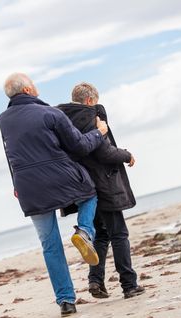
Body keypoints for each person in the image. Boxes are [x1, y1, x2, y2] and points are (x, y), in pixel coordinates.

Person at [0, 73, 108, 317]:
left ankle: (66, 301)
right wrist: (99, 133)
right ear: (27, 90)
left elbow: (11, 153)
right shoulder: (51, 113)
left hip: (28, 187)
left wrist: (16, 183)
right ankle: (85, 232)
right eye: (33, 84)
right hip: (61, 178)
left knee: (50, 245)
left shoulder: (3, 119)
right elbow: (79, 145)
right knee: (89, 194)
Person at [57, 82, 145, 299]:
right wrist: (126, 154)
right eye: (94, 102)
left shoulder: (62, 119)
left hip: (83, 187)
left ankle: (96, 282)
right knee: (119, 233)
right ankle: (129, 285)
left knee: (101, 234)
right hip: (104, 183)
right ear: (89, 101)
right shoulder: (92, 116)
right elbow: (104, 153)